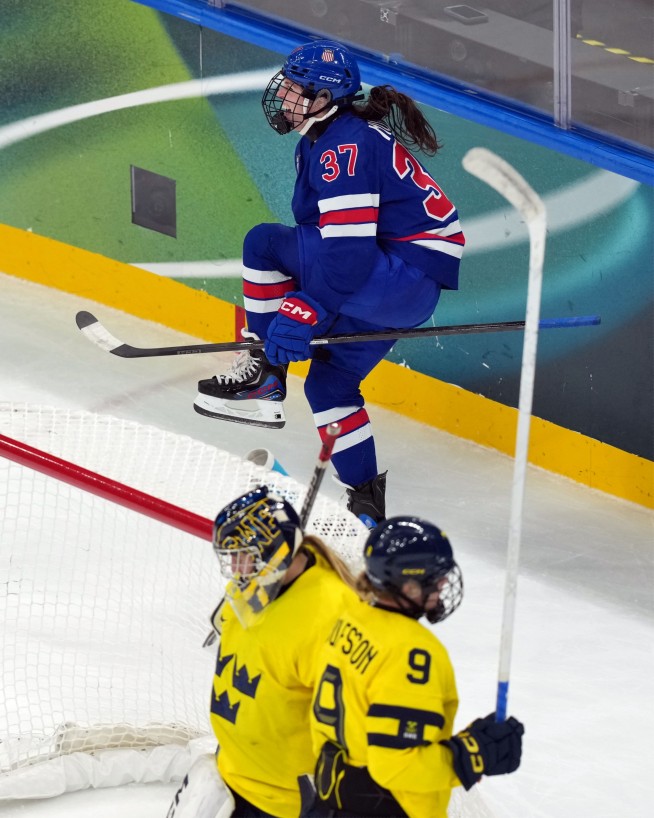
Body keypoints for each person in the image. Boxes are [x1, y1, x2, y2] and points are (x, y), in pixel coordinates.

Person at [194, 40, 465, 527]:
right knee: (329, 384)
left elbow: (346, 251)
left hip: (397, 273)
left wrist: (307, 307)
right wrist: (307, 303)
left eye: (299, 89)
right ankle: (367, 504)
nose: (285, 96)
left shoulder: (344, 145)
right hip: (404, 286)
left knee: (262, 243)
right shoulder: (324, 140)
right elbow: (331, 246)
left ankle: (263, 373)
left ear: (326, 96)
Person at [308, 516, 524, 817]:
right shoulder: (413, 652)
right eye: (435, 578)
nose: (445, 583)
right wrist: (472, 754)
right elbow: (397, 767)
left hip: (330, 800)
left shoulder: (348, 618)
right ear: (408, 587)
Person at [167, 485, 360, 818]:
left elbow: (354, 723)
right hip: (231, 770)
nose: (235, 569)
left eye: (243, 555)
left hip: (284, 800)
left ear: (275, 552)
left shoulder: (334, 614)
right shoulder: (251, 588)